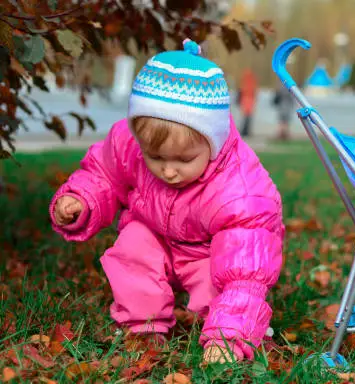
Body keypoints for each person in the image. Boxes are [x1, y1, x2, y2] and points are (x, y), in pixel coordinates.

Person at [49, 39, 284, 364]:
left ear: (213, 143)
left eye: (184, 160)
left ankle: (228, 336)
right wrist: (81, 198)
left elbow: (245, 266)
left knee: (220, 284)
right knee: (133, 247)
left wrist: (229, 335)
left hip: (207, 249)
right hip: (154, 232)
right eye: (155, 156)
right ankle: (143, 326)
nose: (169, 170)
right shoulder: (128, 144)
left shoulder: (239, 188)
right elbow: (104, 173)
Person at [238, 68, 258, 137]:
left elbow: (242, 91)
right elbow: (254, 92)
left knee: (245, 117)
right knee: (248, 117)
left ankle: (244, 130)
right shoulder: (252, 82)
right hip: (250, 101)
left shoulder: (244, 82)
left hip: (245, 100)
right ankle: (246, 131)